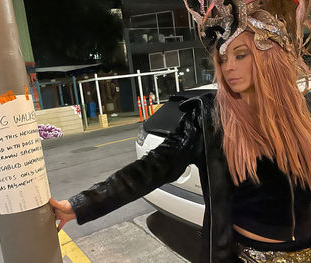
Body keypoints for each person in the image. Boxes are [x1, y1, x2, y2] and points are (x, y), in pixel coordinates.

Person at [50, 0, 311, 262]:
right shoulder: (209, 117)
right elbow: (149, 170)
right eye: (222, 59)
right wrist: (80, 205)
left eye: (240, 55)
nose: (228, 66)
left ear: (268, 57)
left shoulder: (301, 111)